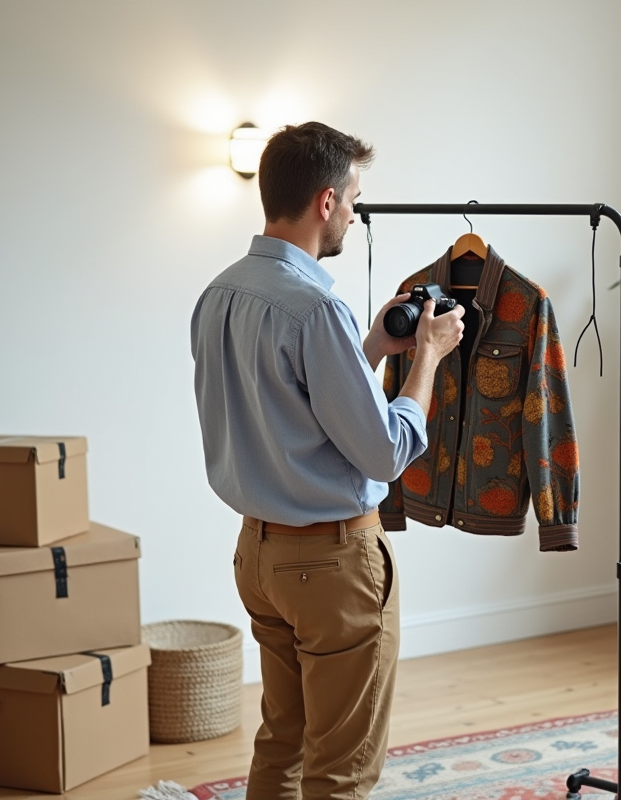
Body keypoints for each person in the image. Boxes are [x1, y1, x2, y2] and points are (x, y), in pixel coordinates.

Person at [190, 121, 465, 800]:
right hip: (329, 566)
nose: (354, 212)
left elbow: (288, 411)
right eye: (353, 198)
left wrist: (367, 349)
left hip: (258, 558)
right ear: (324, 202)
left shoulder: (219, 295)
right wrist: (426, 358)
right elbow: (384, 450)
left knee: (282, 738)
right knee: (341, 765)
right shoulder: (314, 309)